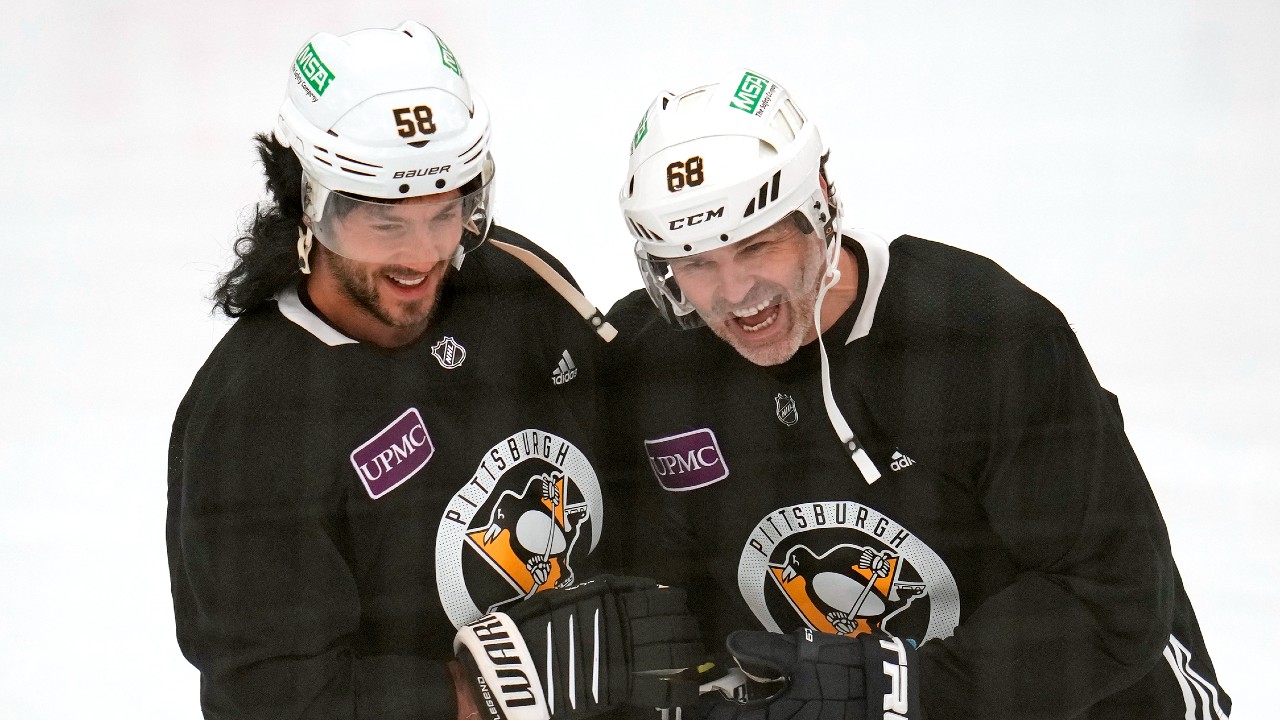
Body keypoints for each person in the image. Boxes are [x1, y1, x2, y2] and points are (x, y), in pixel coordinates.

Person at [600, 68, 1231, 719]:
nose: (733, 294)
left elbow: (1113, 596)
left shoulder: (982, 337)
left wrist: (899, 691)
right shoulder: (653, 364)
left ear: (819, 201)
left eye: (758, 247)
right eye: (697, 262)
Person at [165, 22, 704, 720]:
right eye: (384, 222)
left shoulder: (515, 281)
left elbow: (645, 465)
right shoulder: (251, 418)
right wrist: (478, 694)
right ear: (305, 202)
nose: (423, 257)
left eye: (446, 212)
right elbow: (269, 695)